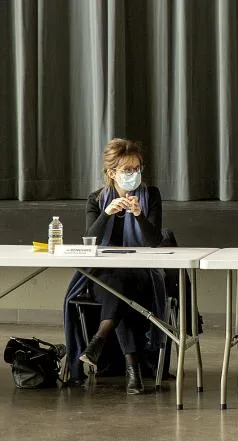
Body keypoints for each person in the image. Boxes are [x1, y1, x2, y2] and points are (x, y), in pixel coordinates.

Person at [63, 138, 166, 394]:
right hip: (104, 276)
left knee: (122, 288)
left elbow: (155, 241)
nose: (134, 174)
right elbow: (90, 240)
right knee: (118, 288)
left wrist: (139, 215)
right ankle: (133, 369)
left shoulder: (151, 195)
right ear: (112, 172)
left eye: (137, 168)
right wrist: (106, 213)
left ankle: (99, 339)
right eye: (127, 170)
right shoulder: (96, 199)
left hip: (141, 274)